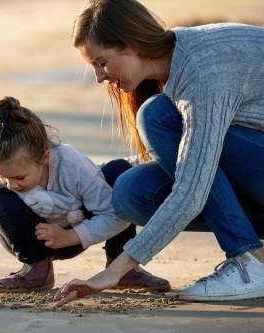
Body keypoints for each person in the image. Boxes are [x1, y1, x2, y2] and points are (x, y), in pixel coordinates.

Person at [54, 0, 264, 306]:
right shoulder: (174, 65)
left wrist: (113, 272)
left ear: (131, 46)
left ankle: (249, 260)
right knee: (131, 191)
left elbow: (193, 189)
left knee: (156, 115)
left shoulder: (201, 71)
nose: (99, 77)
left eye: (101, 62)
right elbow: (194, 156)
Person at [0, 96, 170, 302]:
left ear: (43, 158)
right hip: (33, 238)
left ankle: (122, 266)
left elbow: (116, 215)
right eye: (3, 176)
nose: (12, 184)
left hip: (80, 229)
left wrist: (70, 237)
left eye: (20, 177)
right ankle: (36, 269)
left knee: (118, 171)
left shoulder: (69, 162)